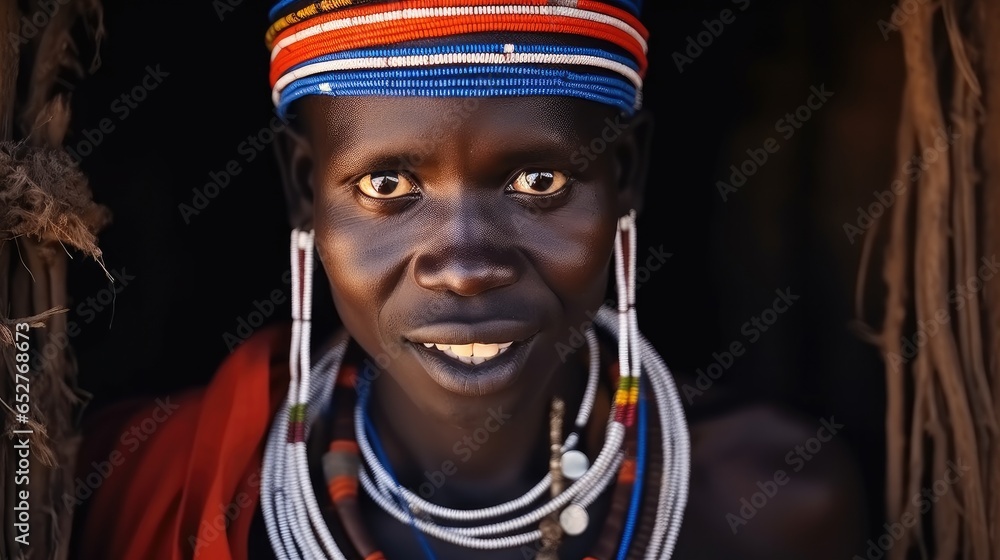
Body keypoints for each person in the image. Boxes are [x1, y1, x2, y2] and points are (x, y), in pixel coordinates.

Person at [72, 1, 867, 558]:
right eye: (388, 187)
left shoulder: (770, 505)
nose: (465, 266)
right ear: (304, 188)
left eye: (537, 184)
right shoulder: (124, 486)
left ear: (624, 175)